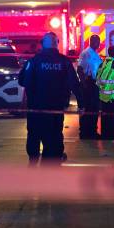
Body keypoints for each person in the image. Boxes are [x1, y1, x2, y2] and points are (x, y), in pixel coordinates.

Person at [19, 32, 84, 164]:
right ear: (57, 44)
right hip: (55, 107)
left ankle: (33, 158)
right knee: (54, 134)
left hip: (35, 107)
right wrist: (81, 104)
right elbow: (75, 85)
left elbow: (23, 81)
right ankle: (53, 159)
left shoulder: (34, 61)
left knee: (34, 133)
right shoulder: (64, 61)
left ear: (43, 44)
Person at [96, 46, 114, 140]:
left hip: (103, 95)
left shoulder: (102, 64)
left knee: (105, 116)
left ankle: (105, 134)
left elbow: (97, 79)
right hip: (113, 96)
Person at [78, 35, 102, 139]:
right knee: (88, 108)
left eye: (99, 41)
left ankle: (92, 131)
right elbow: (80, 69)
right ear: (91, 41)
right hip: (89, 84)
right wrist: (84, 84)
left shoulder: (95, 54)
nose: (98, 43)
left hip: (94, 84)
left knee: (94, 109)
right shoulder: (86, 53)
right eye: (96, 41)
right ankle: (84, 132)